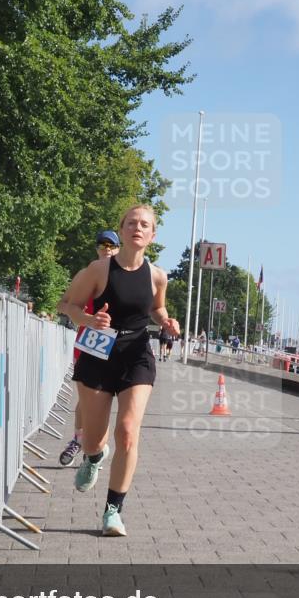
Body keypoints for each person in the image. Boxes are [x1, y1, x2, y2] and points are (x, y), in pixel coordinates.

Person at [57, 205, 180, 536]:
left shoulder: (158, 276)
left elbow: (156, 307)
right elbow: (66, 304)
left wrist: (166, 321)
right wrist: (88, 320)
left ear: (152, 236)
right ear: (122, 230)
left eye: (145, 225)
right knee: (94, 440)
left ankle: (113, 511)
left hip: (136, 353)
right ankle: (94, 458)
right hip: (98, 351)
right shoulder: (99, 270)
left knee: (127, 431)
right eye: (131, 223)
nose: (137, 228)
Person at [57, 231, 120, 465]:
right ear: (96, 249)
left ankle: (96, 445)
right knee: (86, 398)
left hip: (119, 344)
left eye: (111, 245)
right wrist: (85, 317)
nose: (106, 248)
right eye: (102, 244)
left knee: (108, 399)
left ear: (118, 248)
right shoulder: (86, 274)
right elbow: (62, 304)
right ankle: (79, 440)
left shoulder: (127, 275)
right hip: (90, 341)